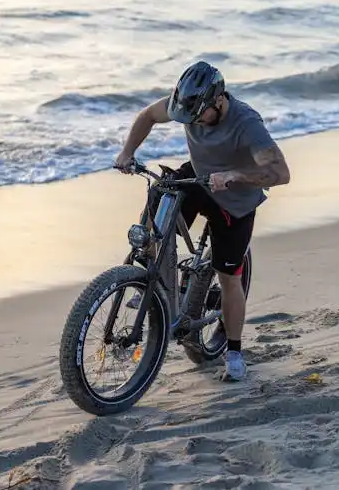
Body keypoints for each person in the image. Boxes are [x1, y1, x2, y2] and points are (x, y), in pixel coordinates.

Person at [114, 60, 291, 381]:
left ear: (218, 100)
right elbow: (148, 116)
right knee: (161, 193)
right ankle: (159, 280)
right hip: (200, 179)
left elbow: (280, 174)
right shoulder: (186, 105)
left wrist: (235, 174)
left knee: (228, 278)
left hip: (235, 200)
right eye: (187, 117)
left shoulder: (246, 122)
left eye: (199, 117)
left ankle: (234, 351)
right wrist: (127, 152)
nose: (192, 122)